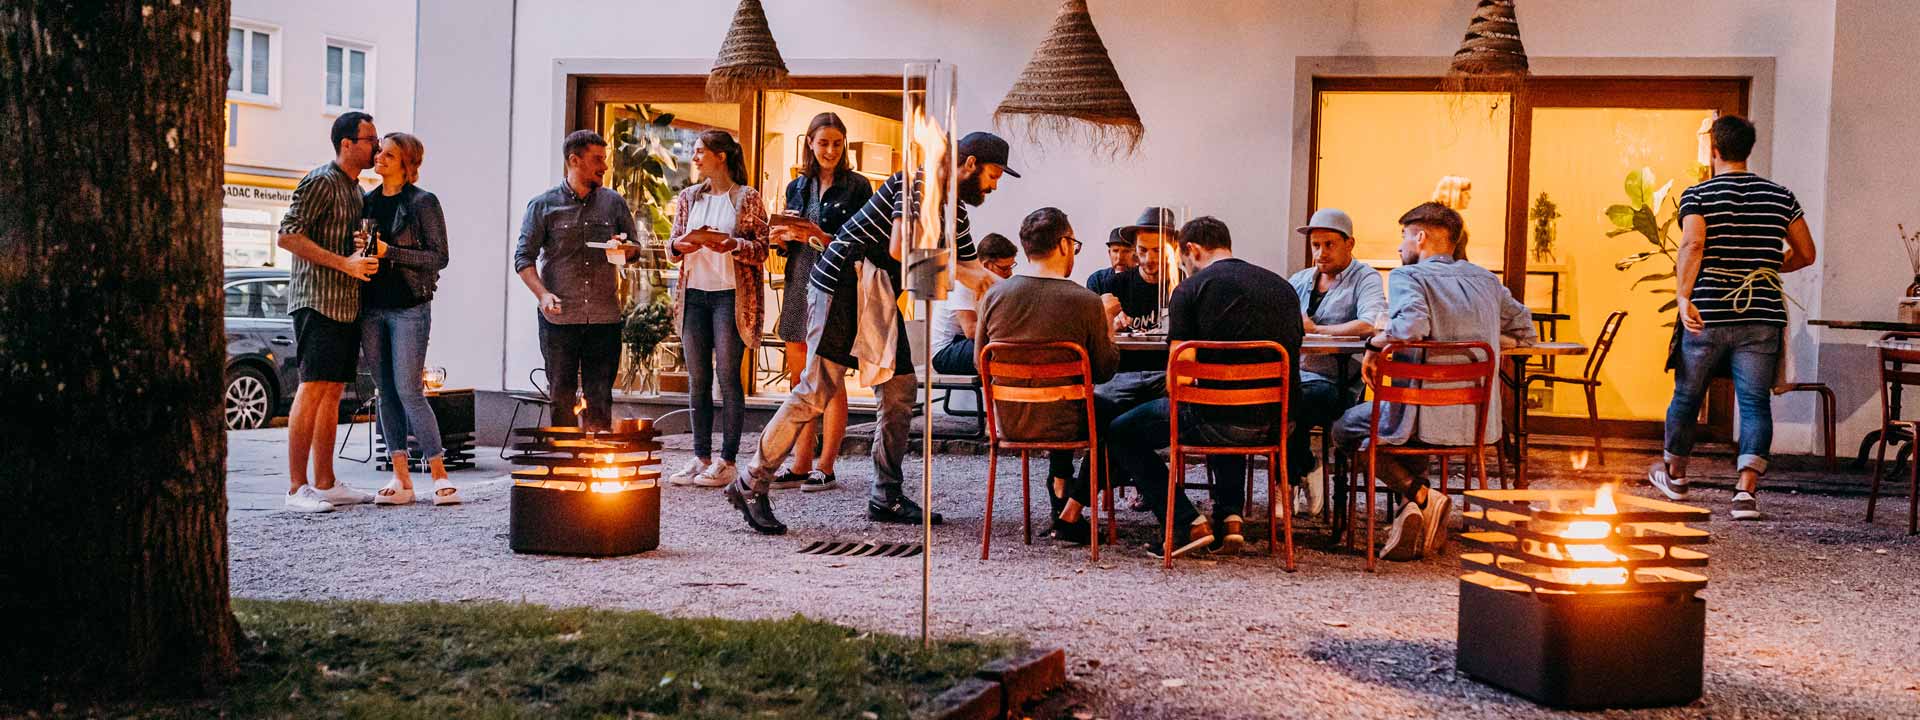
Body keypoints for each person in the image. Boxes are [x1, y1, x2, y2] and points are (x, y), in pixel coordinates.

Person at [728, 131, 1018, 534]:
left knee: (900, 390)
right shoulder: (916, 183)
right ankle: (750, 481)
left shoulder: (957, 216)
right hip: (843, 283)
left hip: (878, 293)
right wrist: (962, 271)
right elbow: (901, 248)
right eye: (993, 174)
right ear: (969, 165)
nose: (994, 185)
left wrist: (1020, 296)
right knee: (817, 388)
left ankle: (886, 495)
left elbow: (973, 274)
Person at [1332, 202, 1535, 561]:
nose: (1400, 247)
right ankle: (1413, 513)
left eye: (1403, 237)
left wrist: (1374, 343)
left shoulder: (1408, 277)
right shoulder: (1487, 280)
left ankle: (1421, 496)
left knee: (1346, 429)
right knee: (1397, 429)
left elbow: (1411, 327)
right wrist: (1483, 341)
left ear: (1420, 236)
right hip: (1475, 422)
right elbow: (1524, 328)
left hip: (1419, 417)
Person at [1649, 114, 1816, 521]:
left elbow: (1693, 243)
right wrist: (1767, 268)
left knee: (1688, 394)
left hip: (1707, 311)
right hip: (1762, 313)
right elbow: (1807, 253)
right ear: (1748, 150)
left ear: (1715, 150)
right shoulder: (1781, 196)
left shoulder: (1699, 194)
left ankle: (1677, 476)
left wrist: (1684, 296)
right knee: (1754, 402)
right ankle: (1745, 492)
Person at [1107, 217, 1302, 557]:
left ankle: (1187, 523)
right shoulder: (1282, 287)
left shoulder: (1189, 290)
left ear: (1192, 250)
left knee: (1123, 431)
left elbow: (1180, 375)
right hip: (1275, 423)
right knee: (1222, 400)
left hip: (1215, 420)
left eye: (1181, 260)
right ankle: (1231, 520)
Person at [975, 209, 1121, 543]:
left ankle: (1062, 484)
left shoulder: (994, 296)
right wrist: (1107, 321)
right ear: (1065, 244)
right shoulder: (1086, 302)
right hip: (1067, 421)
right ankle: (1072, 506)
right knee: (1122, 423)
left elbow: (978, 362)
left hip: (1010, 421)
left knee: (1069, 400)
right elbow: (1104, 370)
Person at [275, 111, 381, 513]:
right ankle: (295, 488)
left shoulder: (355, 189)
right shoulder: (321, 180)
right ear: (347, 144)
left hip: (345, 303)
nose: (376, 145)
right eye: (370, 139)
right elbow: (287, 234)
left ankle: (325, 482)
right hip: (316, 300)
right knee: (313, 387)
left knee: (333, 393)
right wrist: (344, 263)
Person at [770, 113, 873, 494]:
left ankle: (826, 465)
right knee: (799, 378)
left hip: (835, 286)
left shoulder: (857, 187)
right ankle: (799, 462)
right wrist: (781, 238)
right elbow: (788, 238)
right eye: (823, 142)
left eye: (837, 143)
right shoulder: (798, 186)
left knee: (828, 377)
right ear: (810, 143)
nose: (830, 150)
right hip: (800, 280)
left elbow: (862, 244)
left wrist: (819, 234)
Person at [513, 130, 641, 431]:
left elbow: (635, 248)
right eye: (597, 160)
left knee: (600, 397)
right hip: (559, 319)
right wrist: (542, 295)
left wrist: (625, 250)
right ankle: (565, 466)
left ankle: (596, 468)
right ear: (574, 160)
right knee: (561, 396)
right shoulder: (542, 205)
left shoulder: (613, 203)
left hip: (604, 317)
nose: (604, 167)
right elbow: (523, 259)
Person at [663, 130, 770, 489]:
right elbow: (672, 244)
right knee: (697, 380)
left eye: (699, 151)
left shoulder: (746, 198)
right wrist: (682, 244)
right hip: (693, 294)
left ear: (720, 156)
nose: (694, 158)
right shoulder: (688, 197)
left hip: (730, 297)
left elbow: (762, 248)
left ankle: (727, 460)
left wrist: (732, 245)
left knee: (727, 377)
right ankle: (700, 456)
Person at [358, 132, 459, 506]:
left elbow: (439, 256)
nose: (380, 158)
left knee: (409, 391)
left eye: (389, 154)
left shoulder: (422, 202)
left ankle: (439, 475)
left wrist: (391, 252)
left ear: (407, 163)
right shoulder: (366, 202)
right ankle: (401, 480)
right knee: (385, 392)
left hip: (409, 306)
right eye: (379, 152)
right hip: (371, 307)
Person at [1286, 208, 1385, 516]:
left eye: (1329, 244)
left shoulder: (1364, 278)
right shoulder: (1300, 280)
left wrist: (1318, 331)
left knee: (1292, 400)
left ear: (1349, 243)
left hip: (1338, 383)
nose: (1321, 252)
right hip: (1297, 375)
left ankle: (1295, 475)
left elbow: (1371, 323)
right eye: (1316, 245)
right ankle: (1303, 467)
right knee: (1274, 397)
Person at [930, 232, 1019, 375]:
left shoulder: (994, 285)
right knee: (1007, 346)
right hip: (945, 352)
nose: (1010, 274)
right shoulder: (963, 282)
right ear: (986, 265)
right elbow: (971, 330)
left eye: (1011, 266)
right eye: (1004, 268)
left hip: (964, 343)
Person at [1084, 227, 1147, 316]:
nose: (1120, 257)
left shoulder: (1147, 280)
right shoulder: (1097, 280)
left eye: (1126, 251)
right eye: (1115, 251)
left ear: (1136, 253)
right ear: (1109, 253)